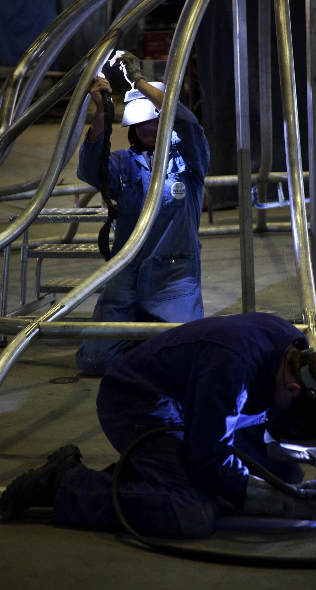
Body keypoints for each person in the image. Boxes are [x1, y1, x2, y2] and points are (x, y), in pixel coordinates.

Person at [0, 313, 316, 538]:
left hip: (198, 406)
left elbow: (255, 425)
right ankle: (66, 482)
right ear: (293, 387)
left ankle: (144, 473)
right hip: (139, 403)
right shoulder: (234, 367)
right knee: (194, 512)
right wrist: (295, 507)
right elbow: (211, 460)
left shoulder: (293, 350)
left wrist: (312, 465)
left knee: (285, 476)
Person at [75, 52, 210, 375]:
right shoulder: (123, 163)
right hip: (128, 268)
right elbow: (91, 168)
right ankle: (148, 349)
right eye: (141, 122)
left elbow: (187, 122)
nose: (148, 126)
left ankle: (151, 348)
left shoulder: (189, 162)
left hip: (175, 271)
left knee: (185, 360)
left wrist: (136, 81)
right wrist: (101, 111)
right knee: (94, 361)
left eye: (155, 119)